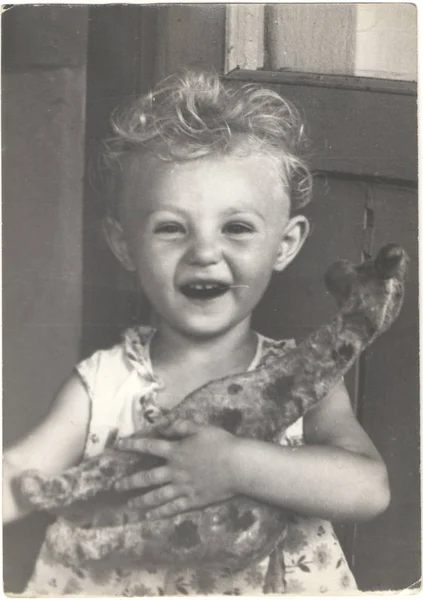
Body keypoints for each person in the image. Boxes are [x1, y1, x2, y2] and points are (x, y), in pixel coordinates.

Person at [3, 71, 390, 595]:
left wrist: (236, 465)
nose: (204, 252)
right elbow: (20, 475)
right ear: (123, 245)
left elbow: (369, 489)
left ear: (285, 242)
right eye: (170, 227)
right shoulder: (106, 382)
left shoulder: (302, 379)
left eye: (236, 227)